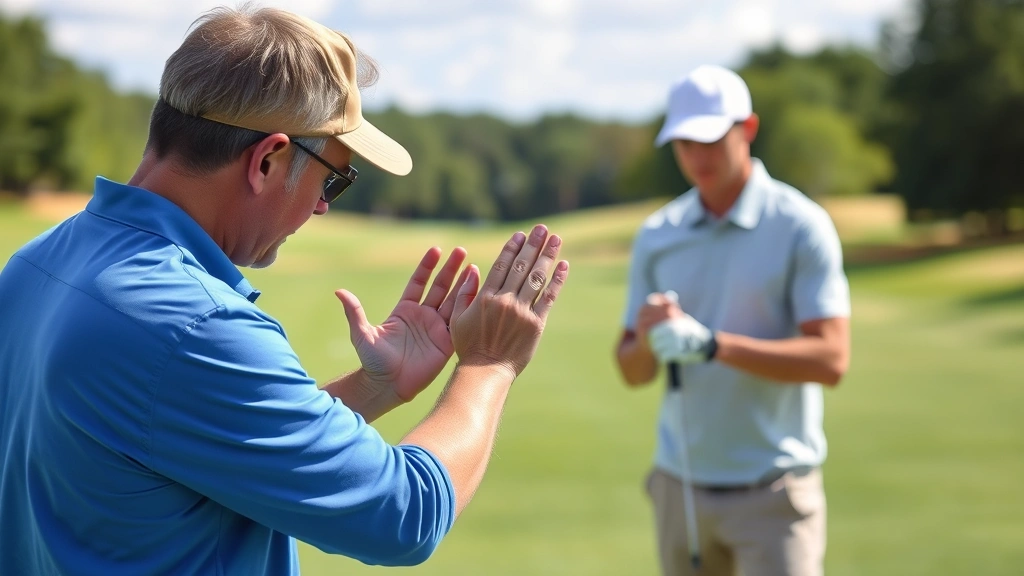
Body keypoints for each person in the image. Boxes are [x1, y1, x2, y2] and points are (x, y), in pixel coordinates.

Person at [0, 6, 569, 575]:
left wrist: (376, 388)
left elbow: (187, 439)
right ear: (268, 159)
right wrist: (490, 364)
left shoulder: (36, 265)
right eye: (333, 179)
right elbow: (403, 517)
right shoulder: (195, 326)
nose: (323, 205)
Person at [614, 64, 851, 576]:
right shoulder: (659, 234)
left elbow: (832, 359)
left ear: (747, 129)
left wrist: (712, 346)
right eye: (684, 143)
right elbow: (631, 370)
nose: (697, 157)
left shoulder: (800, 225)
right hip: (680, 489)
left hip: (775, 493)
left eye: (710, 139)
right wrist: (651, 340)